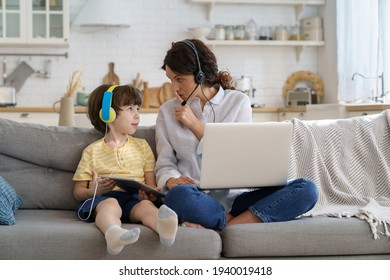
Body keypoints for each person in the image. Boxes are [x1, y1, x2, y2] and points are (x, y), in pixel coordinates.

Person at [155, 39, 318, 230]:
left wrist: (195, 125)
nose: (174, 88)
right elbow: (165, 165)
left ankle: (224, 224)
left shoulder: (238, 102)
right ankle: (237, 224)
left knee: (307, 189)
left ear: (200, 75)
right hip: (194, 197)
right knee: (177, 196)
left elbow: (235, 158)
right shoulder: (167, 111)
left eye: (180, 79)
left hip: (236, 199)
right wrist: (172, 180)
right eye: (170, 79)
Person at [73, 84, 178, 255]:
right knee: (111, 204)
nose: (137, 115)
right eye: (130, 108)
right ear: (108, 113)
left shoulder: (142, 147)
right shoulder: (92, 151)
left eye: (137, 108)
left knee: (145, 206)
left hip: (134, 198)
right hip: (104, 198)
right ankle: (113, 233)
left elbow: (151, 185)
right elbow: (78, 192)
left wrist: (150, 194)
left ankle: (164, 229)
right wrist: (94, 191)